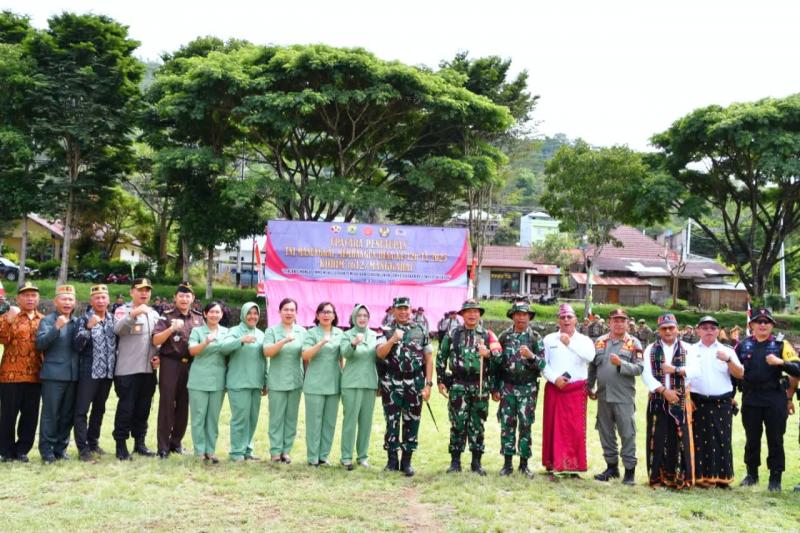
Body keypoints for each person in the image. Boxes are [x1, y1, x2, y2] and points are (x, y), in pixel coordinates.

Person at [736, 307, 800, 492]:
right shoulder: (743, 345)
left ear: (772, 325)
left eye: (767, 322)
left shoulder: (782, 345)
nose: (763, 325)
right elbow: (731, 371)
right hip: (751, 397)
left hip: (775, 398)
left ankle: (775, 479)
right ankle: (752, 475)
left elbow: (798, 369)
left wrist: (781, 362)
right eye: (759, 321)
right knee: (752, 439)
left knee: (775, 439)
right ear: (752, 325)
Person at [437, 299, 501, 476]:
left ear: (479, 314)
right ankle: (455, 461)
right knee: (457, 423)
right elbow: (441, 357)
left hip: (480, 386)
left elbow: (499, 359)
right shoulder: (453, 334)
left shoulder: (488, 335)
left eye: (475, 311)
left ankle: (476, 462)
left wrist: (487, 354)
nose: (472, 315)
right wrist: (441, 380)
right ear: (462, 315)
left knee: (477, 425)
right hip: (458, 385)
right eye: (468, 312)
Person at [376, 297, 433, 476]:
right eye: (399, 309)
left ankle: (407, 461)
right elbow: (379, 353)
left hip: (414, 383)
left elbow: (429, 358)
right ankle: (392, 460)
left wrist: (428, 385)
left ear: (411, 310)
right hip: (391, 383)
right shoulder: (384, 329)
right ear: (393, 310)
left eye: (406, 308)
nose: (403, 312)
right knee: (391, 421)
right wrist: (392, 339)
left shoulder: (421, 329)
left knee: (412, 422)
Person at [587, 308, 643, 485]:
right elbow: (593, 367)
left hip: (623, 396)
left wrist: (622, 364)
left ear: (627, 323)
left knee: (627, 433)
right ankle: (611, 467)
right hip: (603, 395)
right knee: (606, 433)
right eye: (615, 320)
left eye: (622, 320)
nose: (618, 323)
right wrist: (590, 386)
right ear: (609, 323)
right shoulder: (600, 342)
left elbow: (639, 369)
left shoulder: (633, 343)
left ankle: (629, 472)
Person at [685, 315, 743, 489]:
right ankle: (701, 478)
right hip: (698, 401)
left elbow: (739, 373)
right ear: (698, 331)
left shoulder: (728, 350)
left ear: (718, 331)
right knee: (699, 440)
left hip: (722, 402)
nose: (709, 331)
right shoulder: (690, 350)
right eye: (705, 328)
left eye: (712, 328)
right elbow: (684, 376)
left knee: (722, 440)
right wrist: (688, 398)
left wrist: (728, 359)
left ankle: (722, 479)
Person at [541, 303, 595, 477]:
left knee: (575, 429)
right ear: (558, 320)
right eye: (562, 317)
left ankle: (573, 466)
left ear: (576, 320)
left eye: (569, 317)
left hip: (576, 390)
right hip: (555, 388)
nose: (566, 320)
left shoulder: (584, 340)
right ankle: (553, 464)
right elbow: (543, 365)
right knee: (553, 427)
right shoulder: (549, 339)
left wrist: (569, 343)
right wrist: (554, 378)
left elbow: (590, 357)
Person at [641, 313, 695, 489]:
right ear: (659, 330)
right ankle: (657, 477)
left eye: (671, 327)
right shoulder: (650, 349)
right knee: (657, 439)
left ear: (677, 329)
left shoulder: (688, 348)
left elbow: (696, 371)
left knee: (679, 439)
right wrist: (664, 391)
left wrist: (676, 370)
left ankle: (679, 478)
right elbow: (646, 374)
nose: (668, 331)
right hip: (658, 398)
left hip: (680, 400)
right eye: (664, 328)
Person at [490, 301, 543, 478]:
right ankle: (507, 464)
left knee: (526, 425)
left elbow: (543, 365)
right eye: (518, 314)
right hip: (508, 387)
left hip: (528, 388)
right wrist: (495, 388)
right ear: (512, 316)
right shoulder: (504, 337)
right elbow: (496, 364)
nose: (521, 317)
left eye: (525, 314)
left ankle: (524, 464)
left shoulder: (535, 338)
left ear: (529, 317)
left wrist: (531, 356)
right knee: (507, 425)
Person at [151, 282, 204, 458]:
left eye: (188, 296)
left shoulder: (198, 318)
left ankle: (176, 443)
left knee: (184, 405)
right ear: (175, 298)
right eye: (181, 295)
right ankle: (163, 447)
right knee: (166, 404)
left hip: (190, 364)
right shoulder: (165, 317)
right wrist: (171, 328)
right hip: (170, 363)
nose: (184, 299)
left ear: (193, 299)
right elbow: (156, 340)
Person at [113, 278, 160, 460]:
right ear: (132, 291)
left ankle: (139, 443)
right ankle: (120, 445)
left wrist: (159, 357)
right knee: (126, 409)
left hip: (148, 371)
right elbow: (117, 330)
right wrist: (132, 314)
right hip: (127, 370)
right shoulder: (122, 311)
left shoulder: (154, 315)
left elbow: (157, 340)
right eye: (140, 290)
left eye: (147, 290)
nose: (144, 293)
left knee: (143, 409)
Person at [72, 284, 117, 462]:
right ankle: (83, 449)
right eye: (97, 297)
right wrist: (88, 328)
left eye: (103, 297)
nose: (100, 300)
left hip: (107, 373)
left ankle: (93, 442)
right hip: (89, 372)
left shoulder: (113, 320)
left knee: (99, 409)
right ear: (91, 301)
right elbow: (76, 346)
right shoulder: (83, 320)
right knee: (82, 411)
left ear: (108, 300)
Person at [0, 282, 44, 462]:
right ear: (18, 298)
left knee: (30, 416)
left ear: (38, 299)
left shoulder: (44, 319)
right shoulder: (9, 316)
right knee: (8, 415)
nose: (30, 298)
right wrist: (8, 321)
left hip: (36, 375)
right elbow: (2, 339)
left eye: (33, 295)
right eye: (26, 295)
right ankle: (6, 451)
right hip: (11, 375)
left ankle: (22, 449)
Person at [36, 284, 79, 463]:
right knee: (50, 414)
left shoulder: (78, 321)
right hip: (53, 376)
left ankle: (61, 448)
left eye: (70, 299)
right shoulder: (47, 320)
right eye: (63, 298)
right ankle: (47, 451)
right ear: (56, 301)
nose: (67, 302)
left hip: (73, 375)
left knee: (67, 414)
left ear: (74, 302)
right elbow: (40, 344)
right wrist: (56, 327)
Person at [219, 302, 266, 462]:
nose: (253, 316)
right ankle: (236, 452)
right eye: (249, 313)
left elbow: (264, 359)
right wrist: (240, 340)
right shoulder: (234, 331)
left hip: (256, 382)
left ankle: (247, 450)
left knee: (252, 418)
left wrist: (265, 381)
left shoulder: (261, 334)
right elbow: (223, 348)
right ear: (243, 314)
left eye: (255, 313)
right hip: (238, 382)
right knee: (240, 418)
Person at [263, 298, 305, 463]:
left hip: (296, 380)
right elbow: (267, 352)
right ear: (279, 312)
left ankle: (286, 450)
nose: (289, 312)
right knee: (276, 417)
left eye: (292, 310)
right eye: (285, 309)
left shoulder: (302, 331)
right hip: (277, 380)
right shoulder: (271, 331)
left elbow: (306, 355)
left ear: (296, 313)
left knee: (291, 417)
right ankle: (275, 450)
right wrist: (284, 340)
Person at [301, 302, 343, 466]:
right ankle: (312, 457)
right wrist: (321, 343)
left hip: (334, 382)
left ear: (334, 316)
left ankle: (323, 456)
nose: (326, 315)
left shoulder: (340, 333)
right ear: (317, 315)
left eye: (329, 312)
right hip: (315, 383)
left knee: (329, 422)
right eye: (323, 312)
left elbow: (341, 357)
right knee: (314, 421)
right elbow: (305, 355)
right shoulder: (311, 333)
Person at [187, 301, 228, 463]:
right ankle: (199, 451)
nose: (214, 315)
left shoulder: (226, 332)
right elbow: (192, 351)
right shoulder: (197, 331)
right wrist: (206, 342)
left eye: (217, 312)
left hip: (218, 380)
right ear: (204, 314)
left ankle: (210, 450)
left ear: (221, 315)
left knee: (213, 418)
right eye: (211, 312)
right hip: (199, 380)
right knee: (198, 416)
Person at [339, 304, 378, 470]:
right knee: (350, 421)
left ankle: (362, 456)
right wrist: (353, 343)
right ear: (354, 317)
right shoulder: (347, 335)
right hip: (351, 383)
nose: (362, 318)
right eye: (359, 315)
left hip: (369, 383)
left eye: (365, 316)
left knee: (366, 422)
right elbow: (344, 353)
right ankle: (346, 456)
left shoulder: (375, 335)